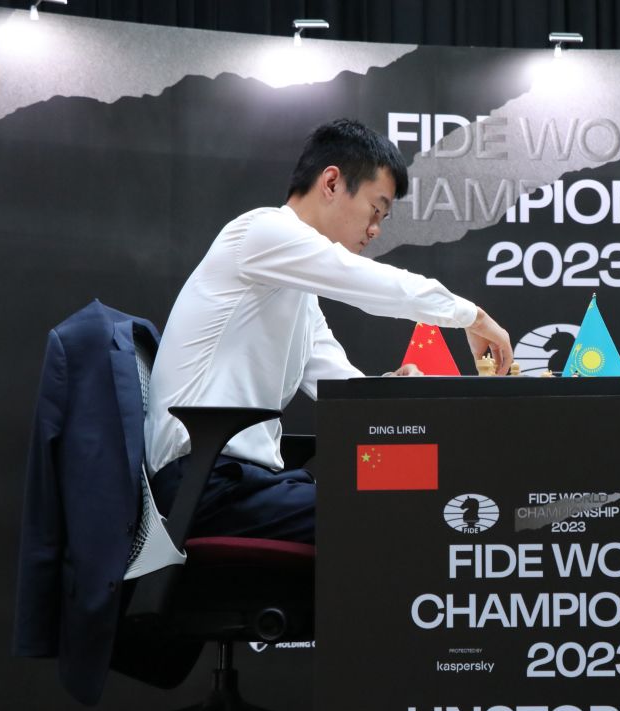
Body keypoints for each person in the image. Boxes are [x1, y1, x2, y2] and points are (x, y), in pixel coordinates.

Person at [144, 119, 513, 544]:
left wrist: (387, 388)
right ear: (333, 182)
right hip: (203, 484)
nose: (375, 230)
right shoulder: (261, 232)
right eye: (375, 210)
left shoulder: (295, 289)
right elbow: (369, 286)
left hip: (243, 482)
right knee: (396, 505)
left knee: (423, 481)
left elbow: (339, 387)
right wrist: (472, 316)